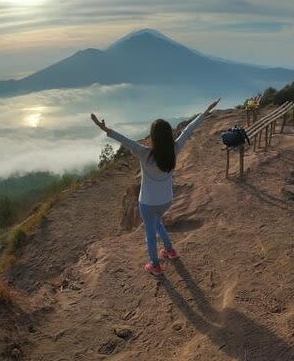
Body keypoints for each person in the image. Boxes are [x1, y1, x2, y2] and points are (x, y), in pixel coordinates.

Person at [90, 98, 220, 275]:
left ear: (153, 137)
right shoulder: (175, 149)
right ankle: (170, 250)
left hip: (147, 202)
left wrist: (104, 129)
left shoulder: (144, 153)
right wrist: (205, 112)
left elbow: (125, 140)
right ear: (168, 136)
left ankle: (155, 265)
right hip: (166, 200)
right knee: (158, 223)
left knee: (150, 234)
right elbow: (189, 130)